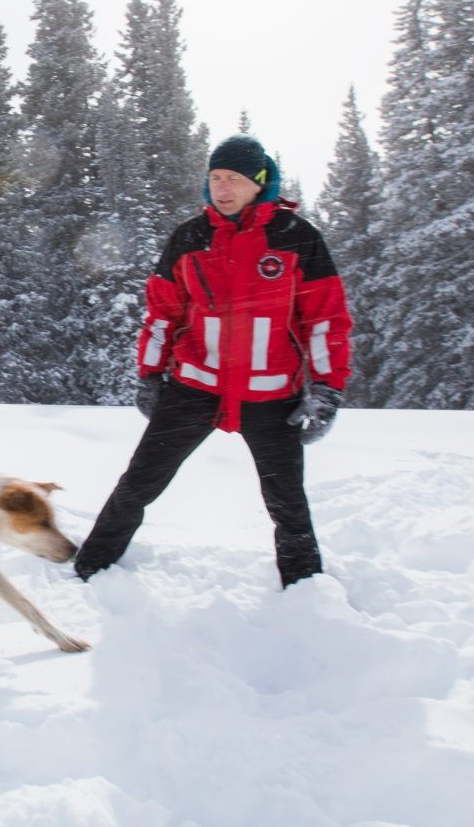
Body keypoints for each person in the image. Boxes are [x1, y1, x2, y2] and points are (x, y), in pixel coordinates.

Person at [74, 134, 352, 588]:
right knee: (139, 483)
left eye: (234, 179)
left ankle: (305, 590)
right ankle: (91, 568)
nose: (222, 188)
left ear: (259, 182)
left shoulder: (296, 238)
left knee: (287, 503)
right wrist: (149, 374)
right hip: (194, 389)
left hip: (271, 396)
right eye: (215, 178)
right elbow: (163, 312)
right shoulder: (189, 237)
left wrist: (327, 390)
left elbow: (324, 319)